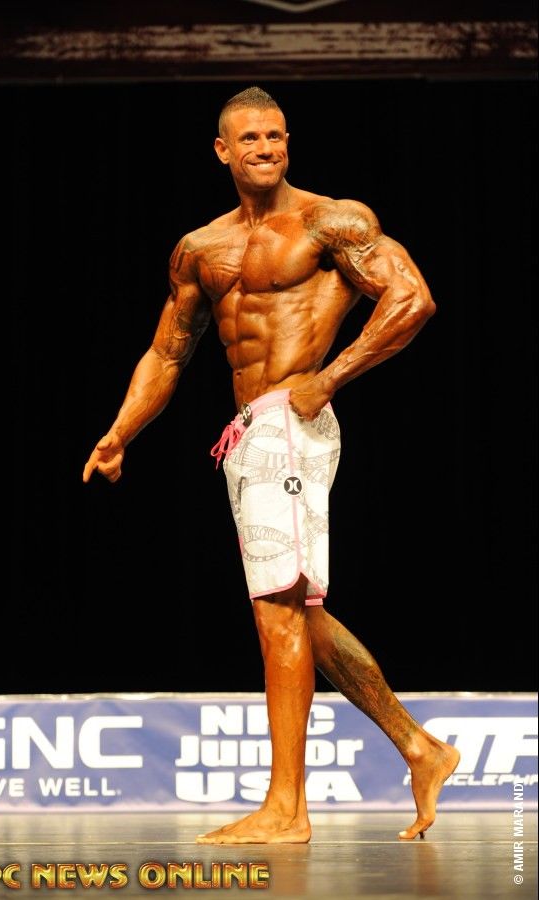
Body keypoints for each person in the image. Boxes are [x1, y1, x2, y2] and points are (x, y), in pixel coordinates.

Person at [82, 86, 460, 844]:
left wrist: (330, 378)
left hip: (291, 422)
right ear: (222, 150)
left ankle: (287, 809)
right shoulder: (200, 248)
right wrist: (120, 432)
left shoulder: (330, 220)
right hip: (247, 433)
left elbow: (411, 299)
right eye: (250, 138)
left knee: (277, 610)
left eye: (277, 136)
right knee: (297, 611)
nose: (266, 148)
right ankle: (420, 749)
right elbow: (168, 352)